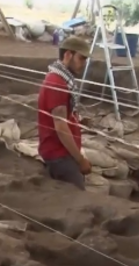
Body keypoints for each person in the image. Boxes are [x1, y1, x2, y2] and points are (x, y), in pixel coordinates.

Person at [37, 36, 93, 190]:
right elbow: (60, 126)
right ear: (68, 55)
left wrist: (77, 121)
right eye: (81, 58)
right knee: (77, 195)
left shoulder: (62, 79)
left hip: (63, 151)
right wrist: (81, 160)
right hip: (58, 155)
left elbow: (62, 117)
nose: (84, 63)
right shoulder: (57, 83)